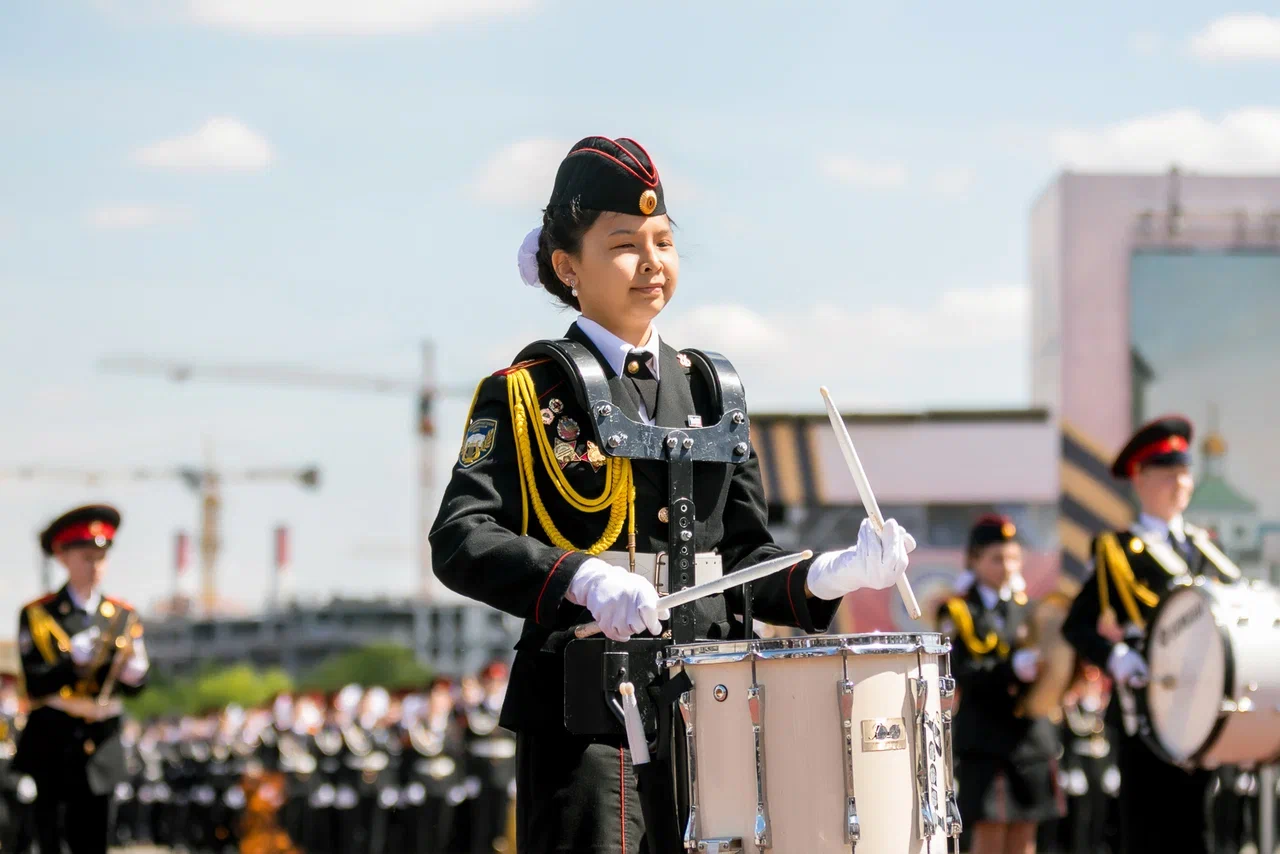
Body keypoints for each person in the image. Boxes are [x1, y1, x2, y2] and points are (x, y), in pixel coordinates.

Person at [429, 135, 917, 852]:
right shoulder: (527, 393)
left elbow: (744, 555)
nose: (651, 262)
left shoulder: (713, 392)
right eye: (624, 243)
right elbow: (460, 536)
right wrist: (582, 578)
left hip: (714, 704)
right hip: (587, 715)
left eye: (663, 240)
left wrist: (829, 573)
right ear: (567, 266)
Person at [1061, 415, 1240, 854]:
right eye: (1168, 475)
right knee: (1146, 825)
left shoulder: (1204, 547)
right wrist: (1116, 656)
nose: (1180, 483)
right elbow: (1076, 625)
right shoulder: (1117, 549)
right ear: (1140, 480)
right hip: (1146, 704)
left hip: (1201, 701)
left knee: (1199, 826)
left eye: (1185, 473)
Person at [13, 503, 150, 854]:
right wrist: (70, 663)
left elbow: (133, 688)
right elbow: (35, 683)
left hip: (102, 742)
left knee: (94, 840)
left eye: (100, 558)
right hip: (54, 739)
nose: (95, 566)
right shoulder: (39, 613)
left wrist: (134, 675)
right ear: (64, 557)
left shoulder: (122, 615)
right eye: (86, 557)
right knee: (53, 839)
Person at [936, 514, 1063, 854]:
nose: (1006, 566)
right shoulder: (959, 611)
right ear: (974, 560)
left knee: (1025, 839)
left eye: (1012, 558)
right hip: (986, 741)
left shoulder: (1030, 610)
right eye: (996, 558)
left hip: (1030, 741)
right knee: (988, 838)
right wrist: (1011, 670)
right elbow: (962, 671)